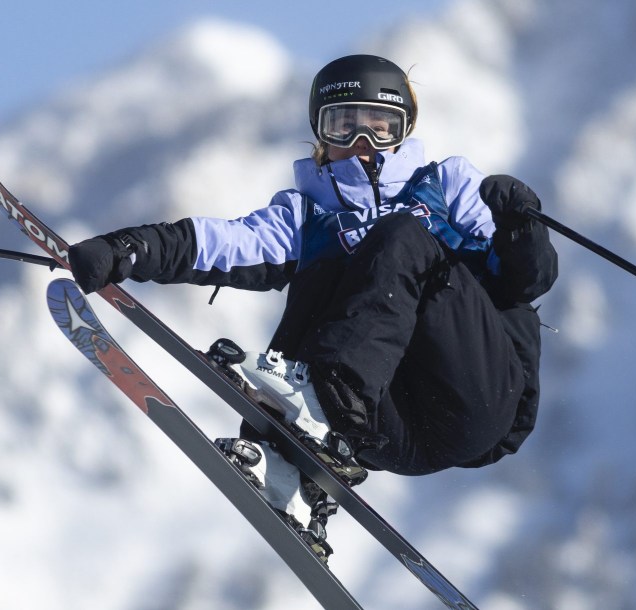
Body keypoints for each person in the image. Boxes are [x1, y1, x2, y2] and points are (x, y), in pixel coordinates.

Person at [69, 54, 558, 560]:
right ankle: (293, 473)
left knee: (400, 238)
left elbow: (524, 283)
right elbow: (227, 243)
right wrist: (127, 247)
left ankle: (323, 407)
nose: (362, 145)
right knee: (321, 269)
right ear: (320, 133)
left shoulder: (444, 187)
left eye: (380, 127)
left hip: (478, 395)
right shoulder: (308, 215)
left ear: (405, 130)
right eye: (344, 125)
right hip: (387, 430)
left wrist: (521, 230)